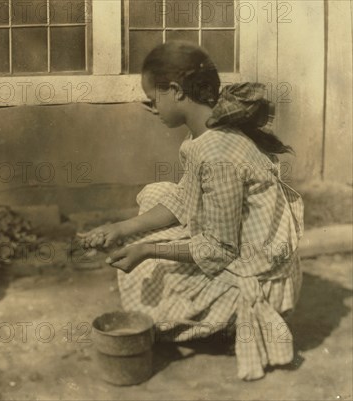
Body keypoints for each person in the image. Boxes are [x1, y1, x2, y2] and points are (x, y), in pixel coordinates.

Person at [79, 41, 304, 381]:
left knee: (148, 268)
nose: (152, 109)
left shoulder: (218, 154)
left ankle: (227, 327)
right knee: (156, 197)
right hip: (240, 247)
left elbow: (218, 249)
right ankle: (212, 317)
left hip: (258, 274)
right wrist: (121, 228)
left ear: (175, 91)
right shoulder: (207, 136)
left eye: (153, 99)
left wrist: (147, 250)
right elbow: (184, 199)